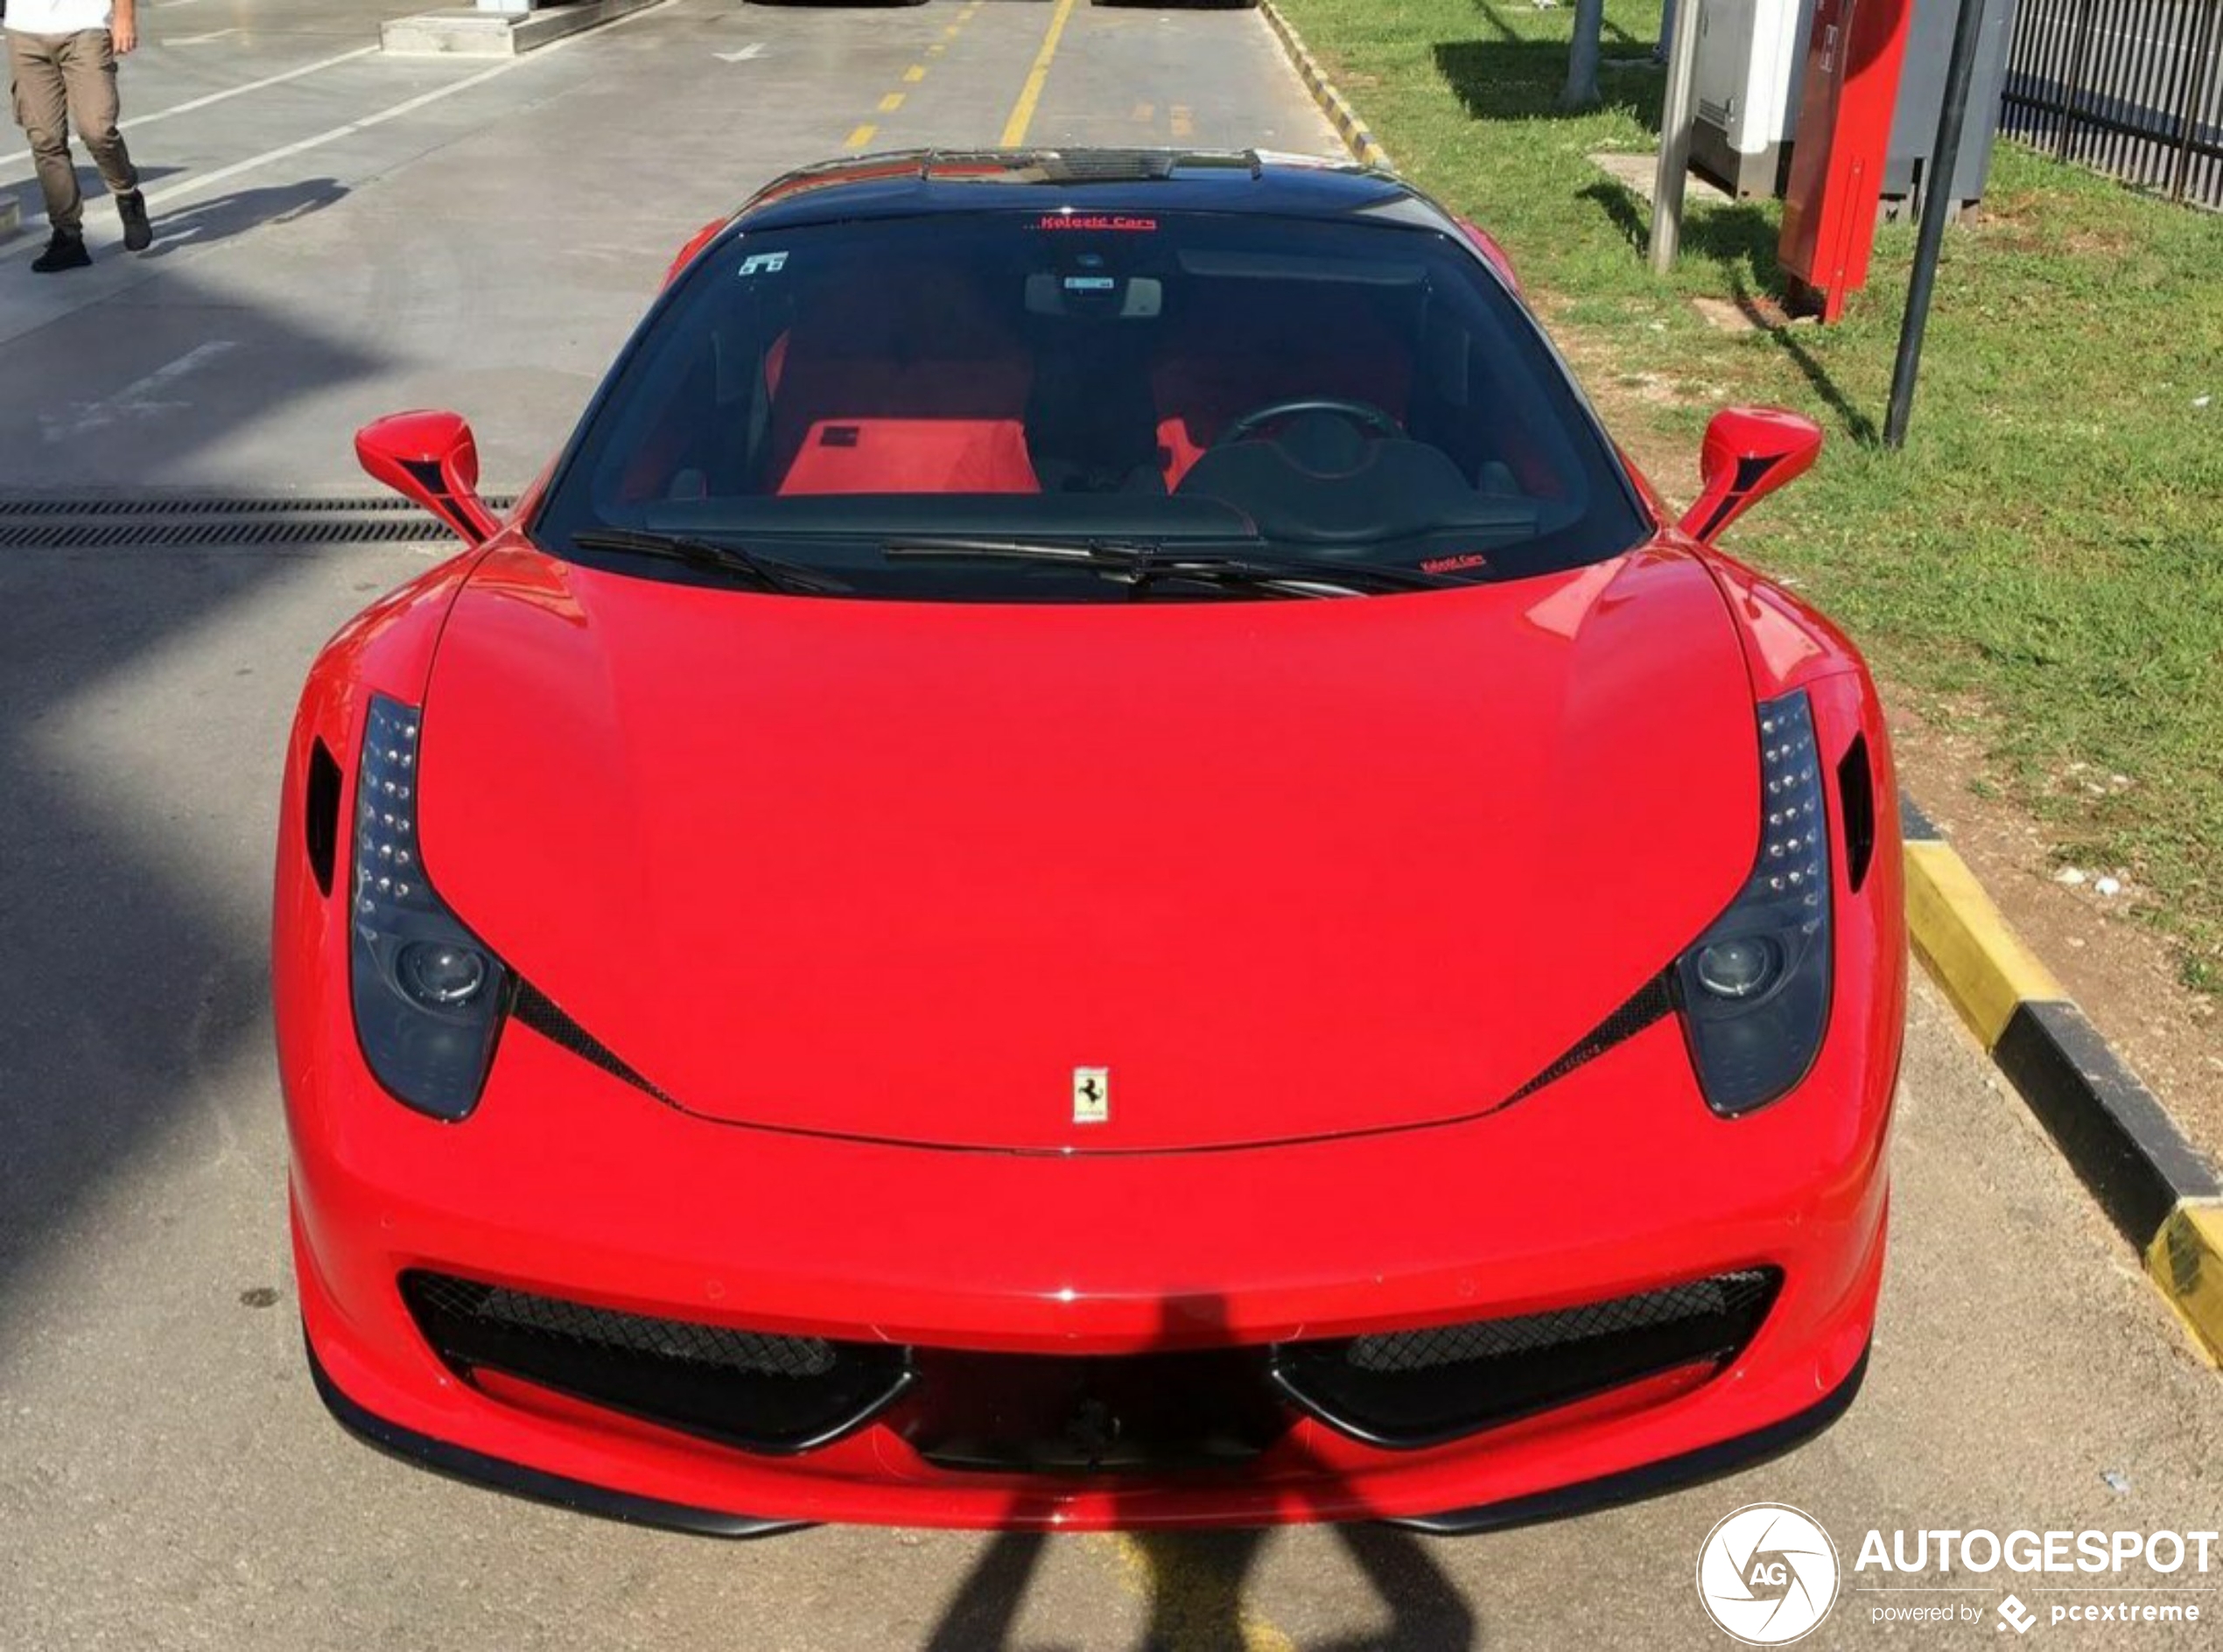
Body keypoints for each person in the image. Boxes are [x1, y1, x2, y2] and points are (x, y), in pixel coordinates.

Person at [6, 0, 153, 272]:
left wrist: (124, 15)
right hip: (24, 31)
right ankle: (67, 235)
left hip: (86, 28)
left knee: (97, 129)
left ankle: (126, 193)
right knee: (45, 139)